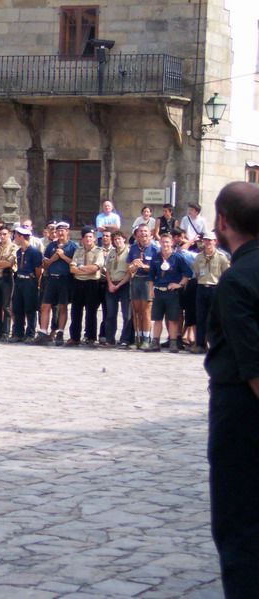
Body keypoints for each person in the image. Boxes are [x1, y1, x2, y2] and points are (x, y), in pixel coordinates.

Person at [205, 181, 259, 598]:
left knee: (239, 523)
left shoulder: (237, 280)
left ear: (221, 222)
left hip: (244, 414)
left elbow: (253, 365)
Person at [144, 233, 191, 353]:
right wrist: (150, 290)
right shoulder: (156, 257)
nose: (165, 244)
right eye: (163, 242)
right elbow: (151, 276)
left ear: (171, 243)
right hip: (159, 291)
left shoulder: (178, 257)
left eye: (167, 242)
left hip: (172, 293)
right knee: (157, 318)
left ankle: (173, 343)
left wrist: (179, 285)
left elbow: (188, 273)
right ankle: (155, 342)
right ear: (160, 243)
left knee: (173, 319)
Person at [36, 222, 77, 346]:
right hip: (51, 279)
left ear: (67, 231)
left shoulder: (73, 246)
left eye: (63, 230)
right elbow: (45, 264)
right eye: (58, 230)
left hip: (65, 279)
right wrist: (54, 258)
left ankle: (60, 332)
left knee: (63, 306)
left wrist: (63, 256)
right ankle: (43, 332)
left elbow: (75, 263)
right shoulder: (51, 246)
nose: (61, 233)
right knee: (45, 305)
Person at [190, 231, 230, 354]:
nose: (207, 242)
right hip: (202, 288)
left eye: (210, 240)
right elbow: (196, 273)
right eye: (206, 240)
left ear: (215, 242)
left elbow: (226, 274)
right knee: (200, 317)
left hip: (215, 288)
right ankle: (200, 344)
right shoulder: (199, 257)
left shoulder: (221, 257)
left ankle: (214, 344)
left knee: (215, 318)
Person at [66, 227, 105, 347]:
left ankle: (90, 337)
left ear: (94, 238)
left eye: (90, 237)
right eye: (86, 237)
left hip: (92, 284)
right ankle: (75, 337)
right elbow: (72, 269)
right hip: (78, 284)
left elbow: (95, 269)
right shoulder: (78, 251)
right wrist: (84, 270)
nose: (88, 239)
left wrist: (80, 268)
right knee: (75, 311)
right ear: (82, 239)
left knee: (91, 312)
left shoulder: (99, 251)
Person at [127, 224, 159, 349]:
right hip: (135, 281)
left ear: (149, 233)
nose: (143, 234)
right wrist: (133, 266)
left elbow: (157, 269)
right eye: (140, 231)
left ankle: (146, 338)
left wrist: (145, 267)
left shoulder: (155, 249)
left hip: (147, 282)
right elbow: (129, 267)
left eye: (145, 231)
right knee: (136, 311)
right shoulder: (134, 248)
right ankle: (137, 338)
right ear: (137, 234)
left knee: (146, 311)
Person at [10, 227, 43, 343]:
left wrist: (35, 281)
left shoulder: (34, 252)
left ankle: (30, 333)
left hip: (30, 281)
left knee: (30, 308)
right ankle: (18, 333)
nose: (14, 238)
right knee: (18, 307)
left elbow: (38, 269)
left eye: (16, 236)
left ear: (21, 237)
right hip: (19, 281)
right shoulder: (19, 252)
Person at [104, 230, 132, 348]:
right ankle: (110, 338)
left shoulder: (129, 251)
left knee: (126, 314)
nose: (117, 241)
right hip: (112, 284)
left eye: (119, 239)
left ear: (124, 239)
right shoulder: (111, 252)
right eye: (115, 239)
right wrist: (110, 284)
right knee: (110, 313)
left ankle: (125, 339)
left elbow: (130, 271)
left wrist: (119, 284)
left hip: (124, 284)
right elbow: (108, 270)